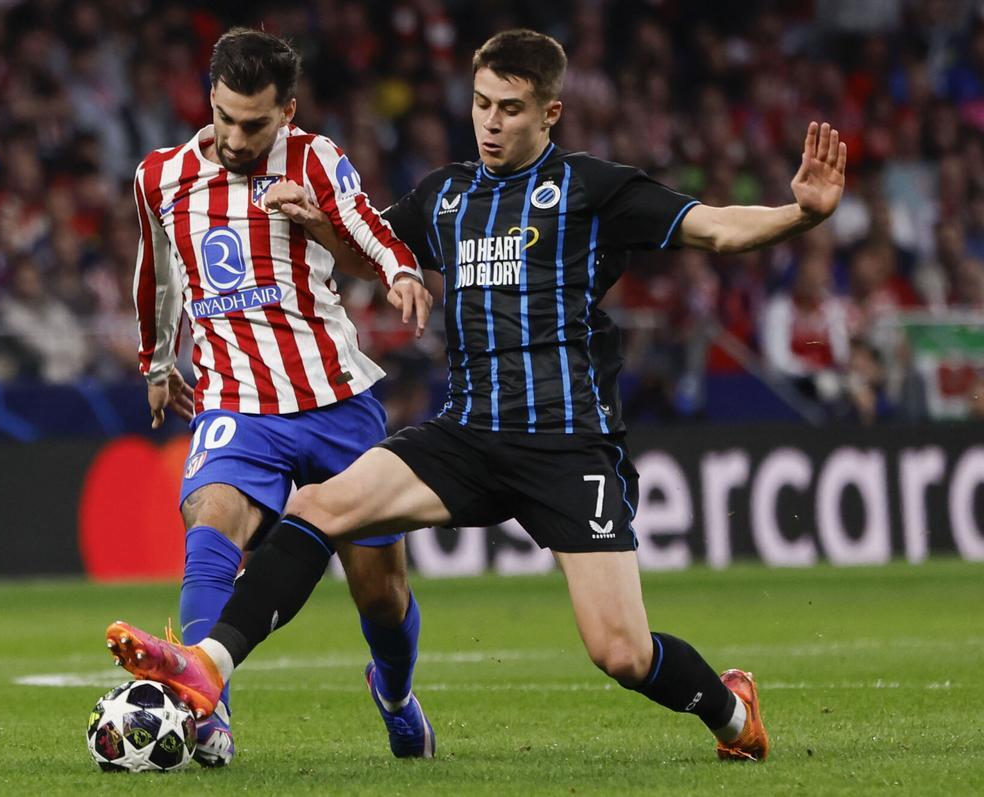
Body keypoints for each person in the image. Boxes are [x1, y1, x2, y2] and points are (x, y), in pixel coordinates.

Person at [107, 28, 848, 763]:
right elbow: (370, 255)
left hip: (567, 442)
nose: (490, 123)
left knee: (620, 651)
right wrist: (324, 232)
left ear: (549, 114)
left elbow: (714, 230)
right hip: (466, 434)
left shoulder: (592, 189)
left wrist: (800, 215)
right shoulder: (447, 195)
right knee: (316, 507)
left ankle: (730, 709)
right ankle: (209, 664)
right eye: (481, 104)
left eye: (511, 109)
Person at [112, 28, 437, 765]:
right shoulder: (159, 177)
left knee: (380, 595)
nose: (235, 135)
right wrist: (157, 362)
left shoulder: (316, 160)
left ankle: (393, 692)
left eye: (254, 123)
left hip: (334, 400)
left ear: (286, 110)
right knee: (210, 520)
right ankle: (207, 710)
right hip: (235, 402)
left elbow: (368, 225)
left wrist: (400, 271)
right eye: (224, 116)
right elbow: (154, 275)